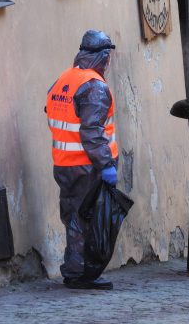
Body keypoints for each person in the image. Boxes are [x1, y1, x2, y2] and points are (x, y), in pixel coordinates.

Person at [45, 29, 119, 290]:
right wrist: (106, 165)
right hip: (87, 165)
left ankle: (75, 270)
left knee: (74, 217)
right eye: (107, 58)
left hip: (63, 163)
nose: (108, 63)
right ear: (102, 57)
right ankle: (83, 273)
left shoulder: (64, 79)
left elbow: (52, 112)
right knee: (88, 219)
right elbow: (91, 132)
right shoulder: (95, 87)